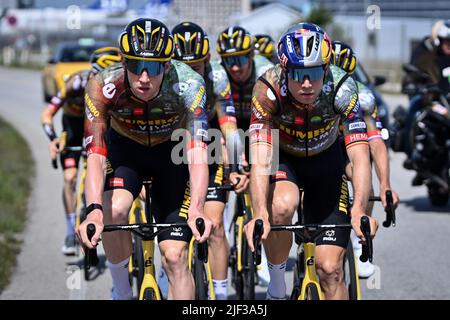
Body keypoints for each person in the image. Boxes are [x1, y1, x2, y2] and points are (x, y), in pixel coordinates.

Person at [76, 18, 212, 300]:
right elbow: (96, 158)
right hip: (126, 152)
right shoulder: (102, 86)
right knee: (114, 210)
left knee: (175, 257)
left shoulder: (189, 84)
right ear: (123, 62)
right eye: (136, 67)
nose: (144, 78)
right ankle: (122, 291)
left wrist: (198, 208)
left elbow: (198, 153)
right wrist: (93, 210)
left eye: (152, 68)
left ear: (166, 65)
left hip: (170, 155)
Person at [244, 22, 378, 300]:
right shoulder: (266, 89)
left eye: (315, 73)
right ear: (284, 70)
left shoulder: (342, 87)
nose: (307, 83)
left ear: (326, 70)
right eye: (298, 74)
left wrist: (361, 209)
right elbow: (260, 157)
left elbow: (359, 155)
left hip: (326, 161)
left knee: (330, 270)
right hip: (285, 159)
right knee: (280, 207)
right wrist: (259, 212)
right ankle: (277, 285)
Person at [170, 21, 248, 300]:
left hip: (210, 146)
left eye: (198, 67)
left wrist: (236, 165)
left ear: (208, 60)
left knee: (214, 227)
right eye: (183, 65)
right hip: (173, 149)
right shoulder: (162, 78)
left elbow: (229, 124)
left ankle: (223, 296)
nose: (190, 74)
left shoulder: (218, 78)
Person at [41, 47, 121, 255]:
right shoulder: (76, 83)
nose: (105, 81)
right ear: (92, 72)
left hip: (101, 130)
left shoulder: (117, 87)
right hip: (75, 129)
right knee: (70, 178)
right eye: (100, 75)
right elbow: (48, 113)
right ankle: (69, 230)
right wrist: (53, 139)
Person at [331, 41, 400, 277]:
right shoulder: (310, 91)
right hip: (318, 148)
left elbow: (376, 142)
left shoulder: (364, 96)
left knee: (364, 180)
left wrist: (385, 185)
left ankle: (361, 242)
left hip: (350, 146)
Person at [216, 26, 274, 286]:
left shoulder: (265, 73)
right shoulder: (220, 76)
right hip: (230, 124)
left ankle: (261, 248)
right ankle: (226, 227)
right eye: (229, 60)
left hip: (261, 125)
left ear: (251, 56)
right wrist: (234, 167)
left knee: (264, 177)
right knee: (227, 166)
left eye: (239, 59)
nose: (235, 67)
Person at [402, 20, 450, 167]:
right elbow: (411, 78)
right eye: (447, 41)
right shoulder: (427, 59)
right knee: (414, 111)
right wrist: (418, 87)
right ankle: (412, 152)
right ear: (439, 41)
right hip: (434, 102)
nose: (449, 45)